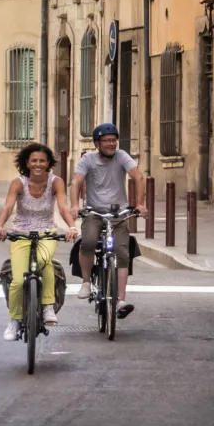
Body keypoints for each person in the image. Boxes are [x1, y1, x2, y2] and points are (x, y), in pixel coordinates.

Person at [0, 143, 78, 341]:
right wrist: (0, 226)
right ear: (27, 163)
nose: (38, 164)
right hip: (21, 233)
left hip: (47, 233)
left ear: (49, 163)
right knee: (18, 280)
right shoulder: (18, 183)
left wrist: (72, 227)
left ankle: (48, 307)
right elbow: (8, 206)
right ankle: (14, 320)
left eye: (42, 160)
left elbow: (64, 208)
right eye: (34, 161)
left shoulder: (56, 182)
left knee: (43, 260)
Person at [69, 123, 146, 319]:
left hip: (118, 213)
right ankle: (86, 282)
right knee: (88, 241)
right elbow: (77, 181)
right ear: (97, 143)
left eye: (113, 140)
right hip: (94, 212)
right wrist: (74, 205)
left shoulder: (122, 156)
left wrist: (140, 204)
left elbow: (137, 176)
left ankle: (120, 299)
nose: (111, 144)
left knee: (122, 252)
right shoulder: (88, 159)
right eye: (107, 141)